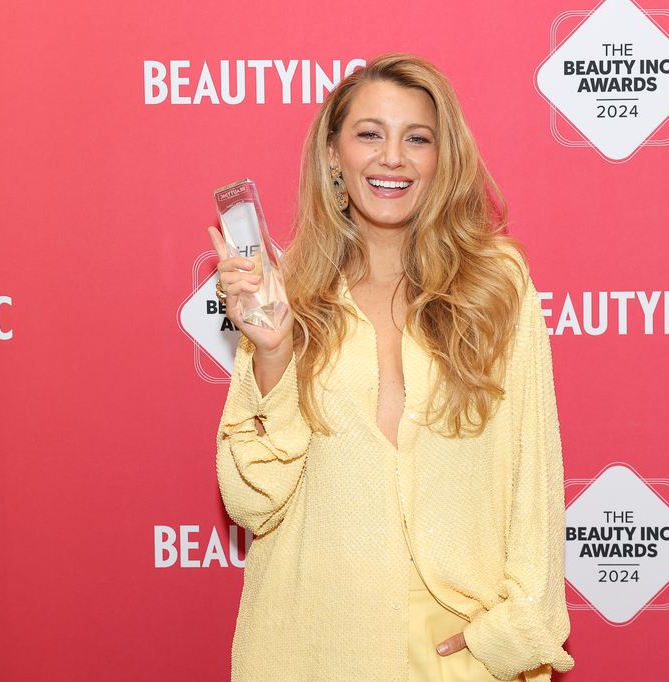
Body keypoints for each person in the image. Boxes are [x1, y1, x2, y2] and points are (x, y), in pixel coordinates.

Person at [208, 52, 575, 681]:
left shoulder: (498, 285)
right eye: (370, 134)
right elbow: (250, 500)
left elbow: (533, 478)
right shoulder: (284, 292)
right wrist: (272, 350)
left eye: (417, 139)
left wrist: (515, 633)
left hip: (458, 653)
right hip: (314, 647)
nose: (393, 158)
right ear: (333, 154)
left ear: (442, 159)